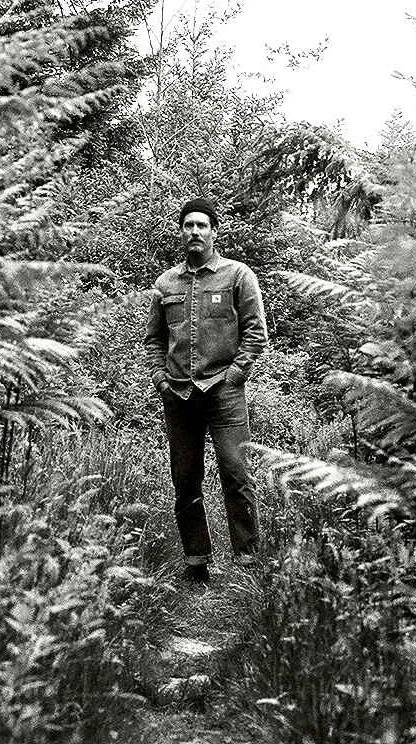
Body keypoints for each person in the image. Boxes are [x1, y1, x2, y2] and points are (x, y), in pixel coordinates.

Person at [143, 197, 268, 582]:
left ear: (214, 231)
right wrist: (161, 380)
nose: (195, 231)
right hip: (179, 395)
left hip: (223, 393)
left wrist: (234, 376)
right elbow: (154, 340)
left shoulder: (237, 275)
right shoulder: (166, 283)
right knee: (185, 479)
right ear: (181, 231)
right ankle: (196, 560)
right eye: (188, 225)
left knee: (236, 473)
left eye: (202, 225)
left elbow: (256, 333)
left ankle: (248, 561)